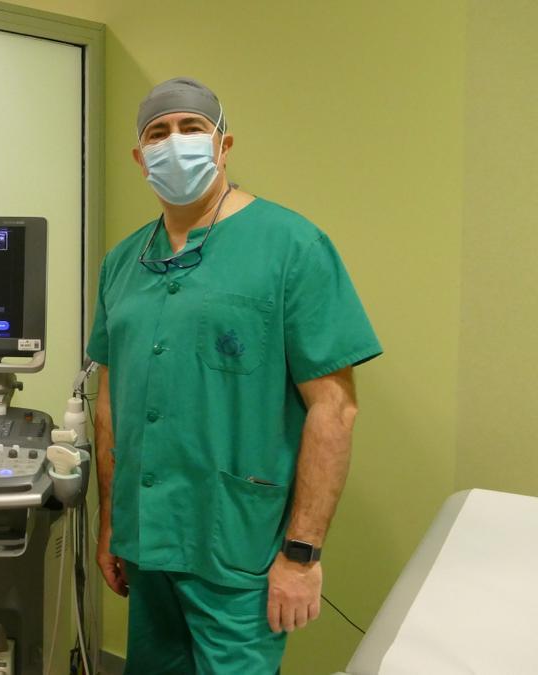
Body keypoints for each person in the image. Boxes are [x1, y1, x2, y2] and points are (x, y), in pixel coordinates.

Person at [88, 77, 382, 673]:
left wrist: (301, 556)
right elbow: (110, 402)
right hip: (147, 544)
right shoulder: (123, 262)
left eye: (192, 128)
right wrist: (111, 526)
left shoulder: (292, 245)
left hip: (239, 549)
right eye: (158, 132)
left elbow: (335, 409)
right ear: (140, 157)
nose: (175, 142)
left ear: (223, 146)